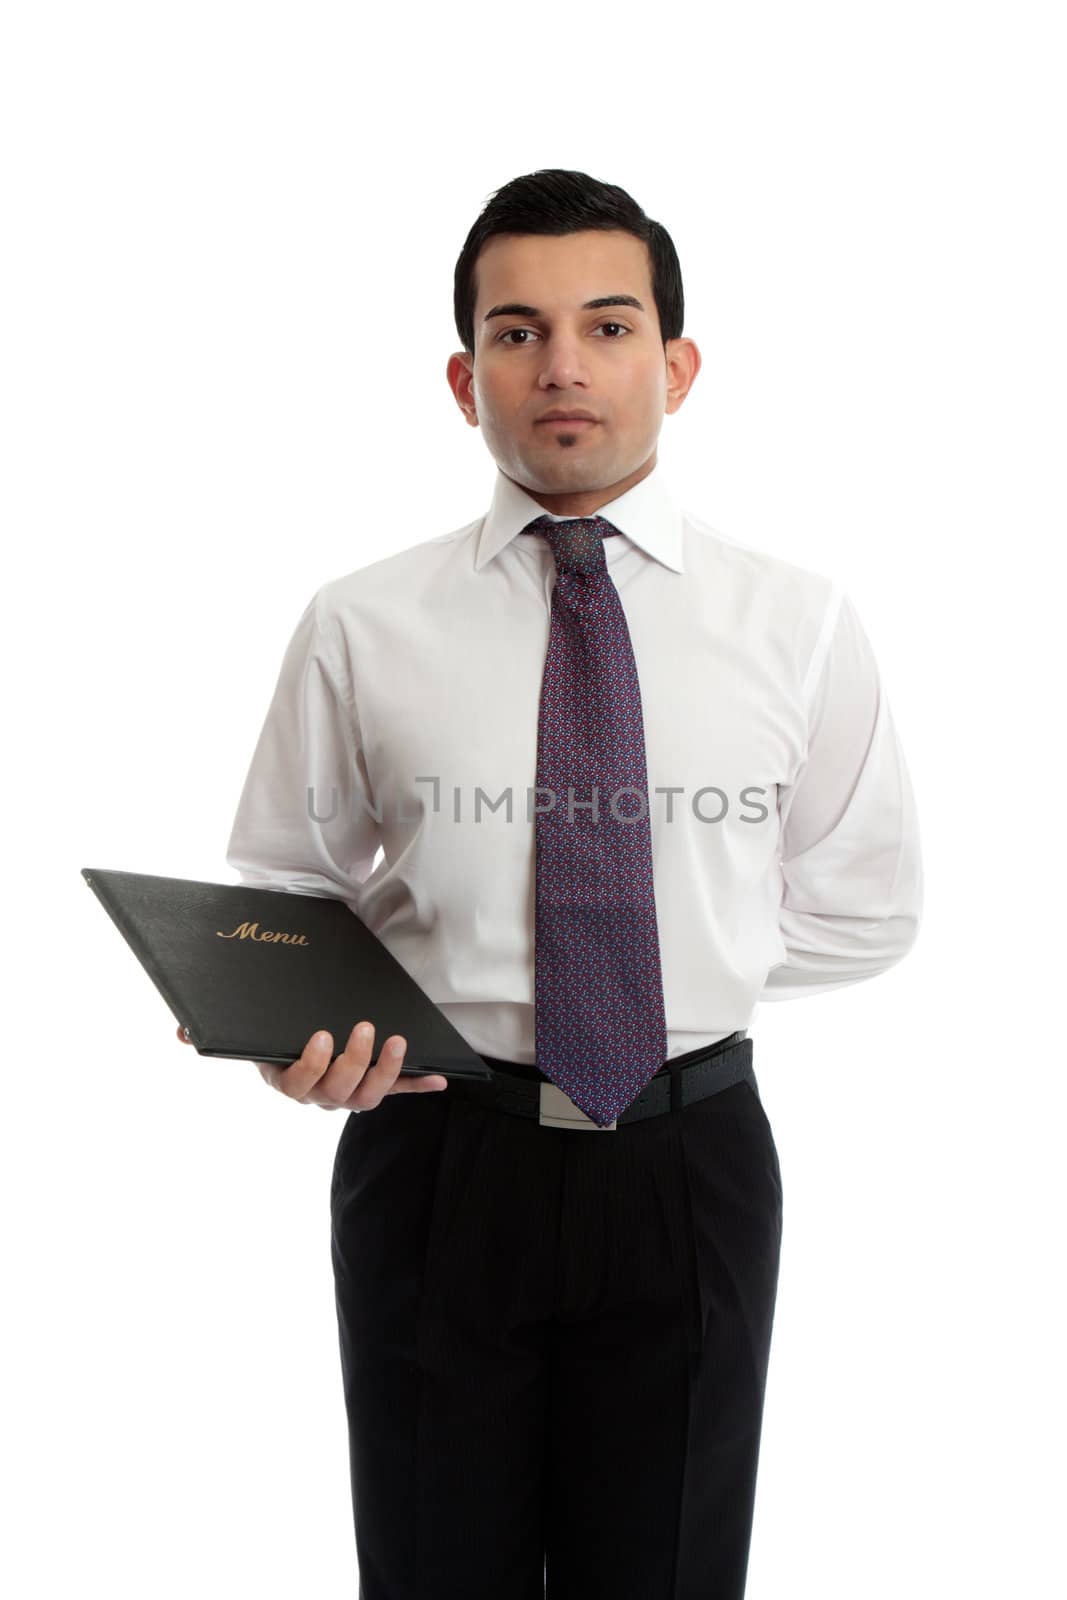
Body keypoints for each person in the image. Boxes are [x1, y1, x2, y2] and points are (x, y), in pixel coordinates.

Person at [183, 168, 923, 1598]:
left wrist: (663, 963)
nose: (564, 365)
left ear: (678, 363)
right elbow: (285, 882)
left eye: (609, 324)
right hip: (436, 1162)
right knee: (429, 1568)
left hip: (689, 1163)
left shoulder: (799, 622)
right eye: (517, 332)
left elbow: (867, 901)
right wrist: (298, 1032)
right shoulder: (362, 620)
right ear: (464, 378)